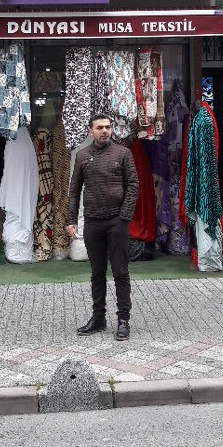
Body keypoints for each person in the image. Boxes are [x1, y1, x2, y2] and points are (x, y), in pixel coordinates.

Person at [66, 113, 139, 340]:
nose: (105, 131)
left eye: (108, 127)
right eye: (99, 128)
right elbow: (74, 190)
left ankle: (123, 319)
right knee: (97, 272)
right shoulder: (82, 156)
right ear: (91, 131)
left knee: (120, 271)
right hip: (92, 222)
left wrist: (124, 217)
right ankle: (98, 318)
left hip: (117, 221)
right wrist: (71, 220)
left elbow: (133, 186)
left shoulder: (123, 153)